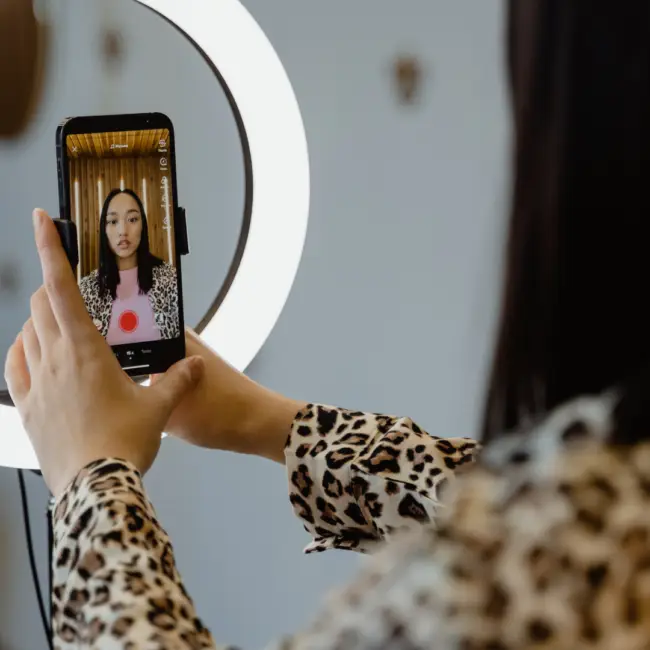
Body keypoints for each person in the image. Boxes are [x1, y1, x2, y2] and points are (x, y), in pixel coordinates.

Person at [5, 0, 650, 648]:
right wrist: (269, 422)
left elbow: (522, 536)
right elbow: (501, 505)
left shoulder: (537, 573)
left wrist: (91, 479)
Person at [79, 188, 180, 344]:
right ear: (104, 230)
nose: (123, 231)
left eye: (132, 219)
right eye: (113, 222)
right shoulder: (87, 290)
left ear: (143, 225)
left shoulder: (170, 279)